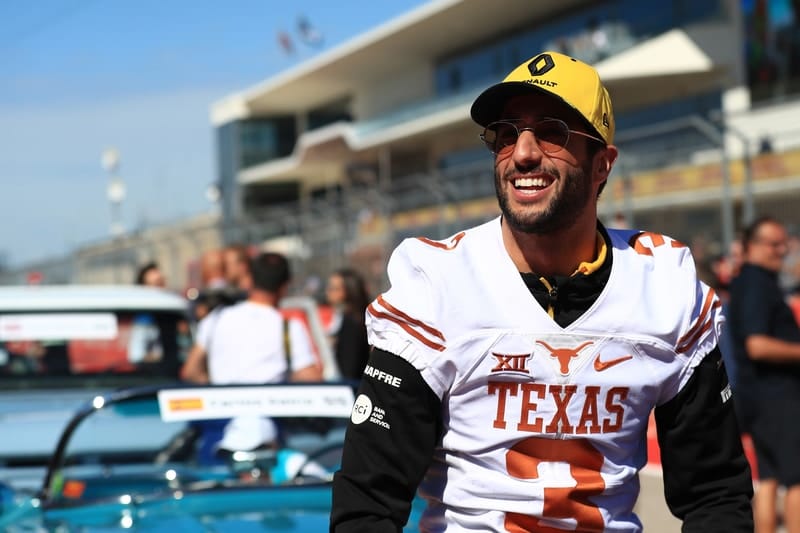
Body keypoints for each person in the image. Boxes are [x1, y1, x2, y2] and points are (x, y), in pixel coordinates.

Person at [330, 51, 753, 532]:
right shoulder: (438, 284)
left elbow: (716, 494)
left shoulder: (661, 285)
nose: (523, 153)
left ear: (602, 165)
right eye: (506, 135)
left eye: (553, 132)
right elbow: (368, 503)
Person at [727, 216, 800, 533]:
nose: (781, 250)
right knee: (797, 481)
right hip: (776, 397)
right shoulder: (756, 284)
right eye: (774, 244)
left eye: (783, 243)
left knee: (769, 479)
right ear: (752, 246)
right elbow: (756, 345)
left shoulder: (749, 282)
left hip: (758, 396)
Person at [180, 251, 323, 384]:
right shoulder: (289, 327)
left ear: (250, 279)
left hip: (223, 402)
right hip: (271, 402)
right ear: (285, 286)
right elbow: (309, 377)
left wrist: (217, 390)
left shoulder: (215, 319)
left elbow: (191, 371)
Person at [324, 268, 371, 380]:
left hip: (348, 385)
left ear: (348, 291)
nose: (328, 291)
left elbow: (350, 369)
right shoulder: (345, 317)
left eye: (334, 288)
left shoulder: (352, 323)